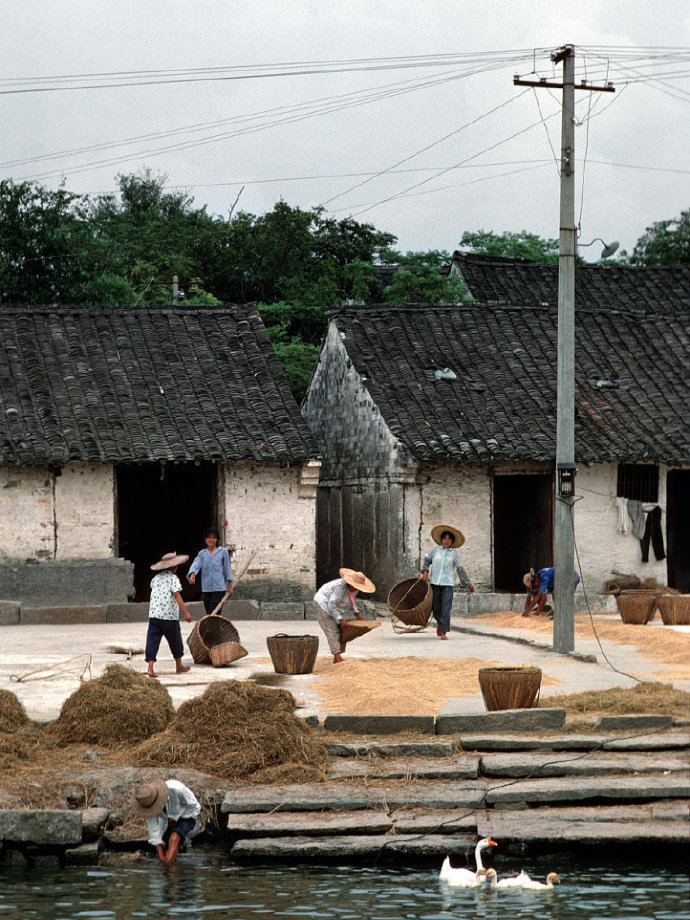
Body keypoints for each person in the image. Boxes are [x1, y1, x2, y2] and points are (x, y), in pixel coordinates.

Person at [421, 523, 474, 640]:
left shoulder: (454, 554)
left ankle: (444, 631)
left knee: (446, 608)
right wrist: (425, 572)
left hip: (448, 585)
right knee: (435, 609)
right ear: (441, 540)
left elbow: (460, 569)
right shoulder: (435, 551)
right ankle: (440, 623)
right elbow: (426, 559)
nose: (447, 541)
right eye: (445, 538)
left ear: (452, 541)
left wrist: (468, 583)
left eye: (449, 539)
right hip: (435, 583)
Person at [132, 779, 203, 864]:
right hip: (168, 821)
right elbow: (154, 832)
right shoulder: (147, 804)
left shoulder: (177, 789)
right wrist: (162, 858)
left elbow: (193, 806)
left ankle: (171, 870)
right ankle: (171, 870)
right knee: (166, 851)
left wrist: (177, 820)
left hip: (188, 815)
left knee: (174, 838)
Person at [313, 568, 376, 664]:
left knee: (343, 629)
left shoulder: (354, 590)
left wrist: (357, 612)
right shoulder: (340, 588)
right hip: (323, 604)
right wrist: (340, 619)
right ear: (350, 583)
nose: (356, 589)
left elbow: (352, 599)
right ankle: (337, 657)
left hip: (335, 606)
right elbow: (331, 604)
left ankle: (338, 654)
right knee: (331, 629)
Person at [146, 553, 193, 677]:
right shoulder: (173, 579)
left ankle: (150, 668)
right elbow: (177, 595)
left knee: (152, 641)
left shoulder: (155, 579)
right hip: (169, 617)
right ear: (174, 568)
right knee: (175, 641)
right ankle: (179, 666)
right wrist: (186, 613)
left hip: (154, 616)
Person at [187, 527, 233, 614]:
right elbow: (196, 564)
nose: (211, 540)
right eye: (208, 537)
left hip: (219, 589)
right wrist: (192, 574)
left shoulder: (223, 552)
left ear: (217, 539)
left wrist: (230, 586)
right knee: (209, 613)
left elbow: (227, 569)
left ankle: (213, 627)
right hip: (206, 589)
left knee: (213, 613)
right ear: (205, 539)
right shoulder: (202, 553)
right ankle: (214, 628)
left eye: (214, 537)